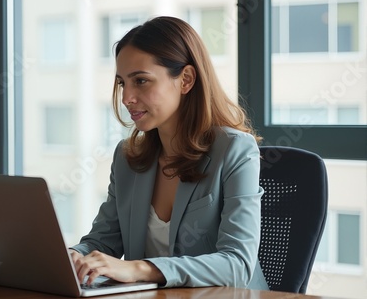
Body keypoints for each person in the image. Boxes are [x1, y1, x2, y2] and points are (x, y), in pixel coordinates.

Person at [69, 16, 268, 290]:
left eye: (141, 81)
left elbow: (237, 265)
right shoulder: (127, 157)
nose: (126, 97)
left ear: (185, 80)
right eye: (121, 83)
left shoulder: (235, 150)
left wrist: (140, 268)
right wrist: (74, 257)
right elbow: (104, 241)